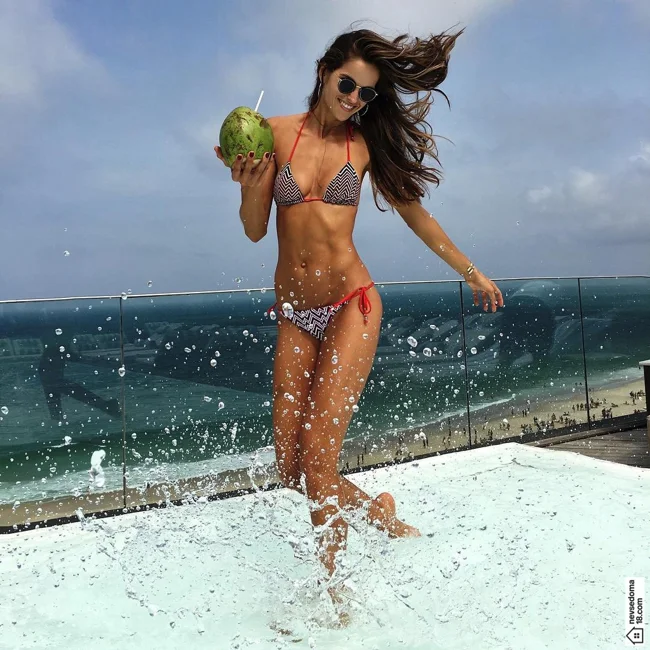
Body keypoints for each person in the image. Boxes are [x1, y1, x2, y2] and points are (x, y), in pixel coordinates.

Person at [215, 27, 504, 596]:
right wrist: (248, 185)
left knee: (319, 463)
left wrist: (470, 271)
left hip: (353, 304)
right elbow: (254, 230)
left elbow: (416, 215)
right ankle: (382, 515)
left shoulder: (364, 145)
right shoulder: (275, 133)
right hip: (296, 314)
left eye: (366, 94)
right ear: (324, 72)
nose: (354, 99)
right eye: (347, 85)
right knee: (291, 470)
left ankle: (335, 597)